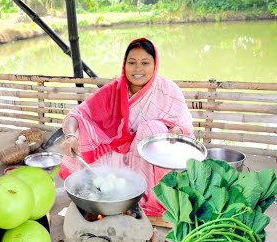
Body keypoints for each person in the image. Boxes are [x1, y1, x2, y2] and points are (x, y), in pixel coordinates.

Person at [59, 37, 194, 217]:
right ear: (125, 64)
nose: (138, 69)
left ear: (155, 64)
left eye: (145, 63)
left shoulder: (168, 90)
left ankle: (149, 196)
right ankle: (111, 194)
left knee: (151, 129)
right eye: (132, 62)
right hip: (119, 154)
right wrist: (71, 137)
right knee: (82, 131)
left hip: (151, 158)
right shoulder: (115, 89)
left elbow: (184, 128)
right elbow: (78, 114)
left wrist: (175, 131)